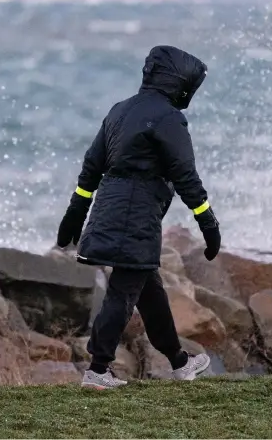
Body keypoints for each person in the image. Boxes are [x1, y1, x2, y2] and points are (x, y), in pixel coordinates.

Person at [56, 45, 222, 390]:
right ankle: (98, 370)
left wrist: (75, 213)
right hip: (137, 215)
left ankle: (179, 363)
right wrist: (208, 222)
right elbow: (185, 176)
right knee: (123, 291)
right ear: (179, 83)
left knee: (149, 290)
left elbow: (91, 168)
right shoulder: (168, 118)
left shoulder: (120, 111)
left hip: (110, 209)